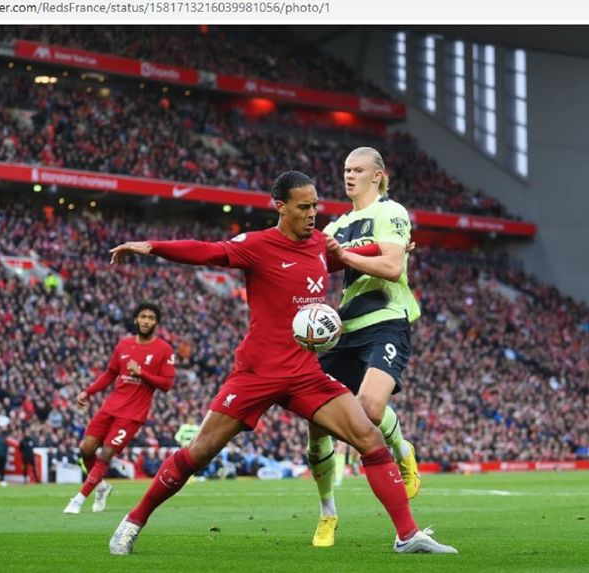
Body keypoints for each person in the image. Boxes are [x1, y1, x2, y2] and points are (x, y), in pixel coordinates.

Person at [106, 171, 457, 556]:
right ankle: (133, 520)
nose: (312, 213)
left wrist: (395, 247)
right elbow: (207, 250)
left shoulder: (320, 244)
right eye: (304, 207)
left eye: (315, 206)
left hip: (305, 374)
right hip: (257, 373)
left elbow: (346, 256)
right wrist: (151, 247)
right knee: (200, 452)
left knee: (370, 440)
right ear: (281, 207)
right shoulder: (257, 246)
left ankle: (407, 535)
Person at [307, 146, 422, 547]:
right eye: (345, 169)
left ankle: (401, 448)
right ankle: (327, 513)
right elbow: (316, 264)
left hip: (386, 320)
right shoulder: (335, 227)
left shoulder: (392, 212)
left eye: (358, 169)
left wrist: (346, 255)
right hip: (343, 329)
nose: (349, 175)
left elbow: (392, 267)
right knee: (317, 421)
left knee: (369, 409)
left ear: (378, 175)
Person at [63, 302, 176, 514]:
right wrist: (88, 392)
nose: (146, 321)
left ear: (156, 323)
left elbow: (167, 384)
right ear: (136, 319)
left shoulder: (164, 349)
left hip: (133, 415)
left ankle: (78, 500)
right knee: (86, 449)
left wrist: (141, 373)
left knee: (106, 453)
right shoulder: (124, 345)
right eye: (143, 316)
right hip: (110, 407)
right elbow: (110, 373)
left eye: (151, 318)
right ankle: (102, 487)